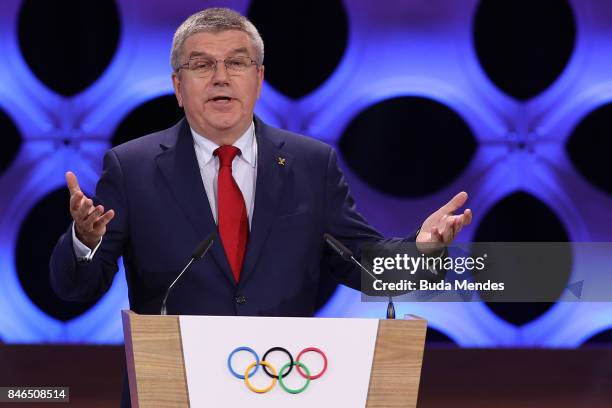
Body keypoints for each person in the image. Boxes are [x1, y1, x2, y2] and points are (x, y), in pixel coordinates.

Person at [49, 8, 472, 406]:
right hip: (174, 391)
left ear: (259, 78)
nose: (220, 78)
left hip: (286, 387)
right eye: (201, 65)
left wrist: (423, 250)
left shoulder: (311, 164)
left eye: (236, 63)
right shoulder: (132, 167)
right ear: (178, 86)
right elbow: (75, 288)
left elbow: (362, 265)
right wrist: (84, 241)